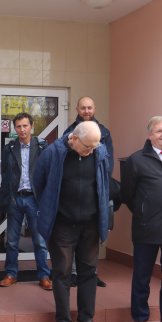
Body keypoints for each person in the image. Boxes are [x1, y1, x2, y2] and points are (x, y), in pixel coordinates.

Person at [33, 121, 109, 322]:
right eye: (88, 146)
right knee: (62, 272)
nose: (91, 150)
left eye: (95, 146)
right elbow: (39, 184)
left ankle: (86, 320)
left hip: (90, 224)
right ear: (74, 138)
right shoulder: (53, 153)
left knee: (89, 272)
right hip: (63, 225)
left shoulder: (99, 152)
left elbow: (103, 183)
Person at [64, 96, 114, 288]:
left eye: (89, 108)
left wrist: (102, 184)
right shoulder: (70, 132)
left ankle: (92, 273)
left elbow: (107, 162)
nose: (86, 111)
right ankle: (75, 273)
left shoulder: (105, 133)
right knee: (75, 237)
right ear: (77, 109)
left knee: (94, 236)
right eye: (83, 107)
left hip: (96, 192)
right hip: (76, 192)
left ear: (94, 109)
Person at [0, 113, 52, 291]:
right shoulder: (9, 148)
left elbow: (48, 173)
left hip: (34, 199)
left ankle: (44, 275)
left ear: (32, 127)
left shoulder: (42, 146)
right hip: (16, 198)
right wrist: (5, 200)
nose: (22, 130)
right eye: (18, 127)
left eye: (25, 126)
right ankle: (11, 274)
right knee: (12, 240)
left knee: (39, 240)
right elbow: (5, 175)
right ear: (15, 129)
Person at [121, 116, 162, 322]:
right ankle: (139, 318)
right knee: (142, 276)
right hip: (146, 228)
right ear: (149, 135)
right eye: (158, 131)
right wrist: (144, 211)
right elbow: (127, 194)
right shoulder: (136, 160)